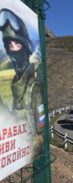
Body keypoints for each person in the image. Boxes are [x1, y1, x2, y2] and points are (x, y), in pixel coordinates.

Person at [0, 8, 44, 155]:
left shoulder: (33, 87)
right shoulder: (16, 85)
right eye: (9, 46)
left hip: (29, 150)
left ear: (26, 48)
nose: (13, 51)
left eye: (17, 45)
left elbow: (40, 130)